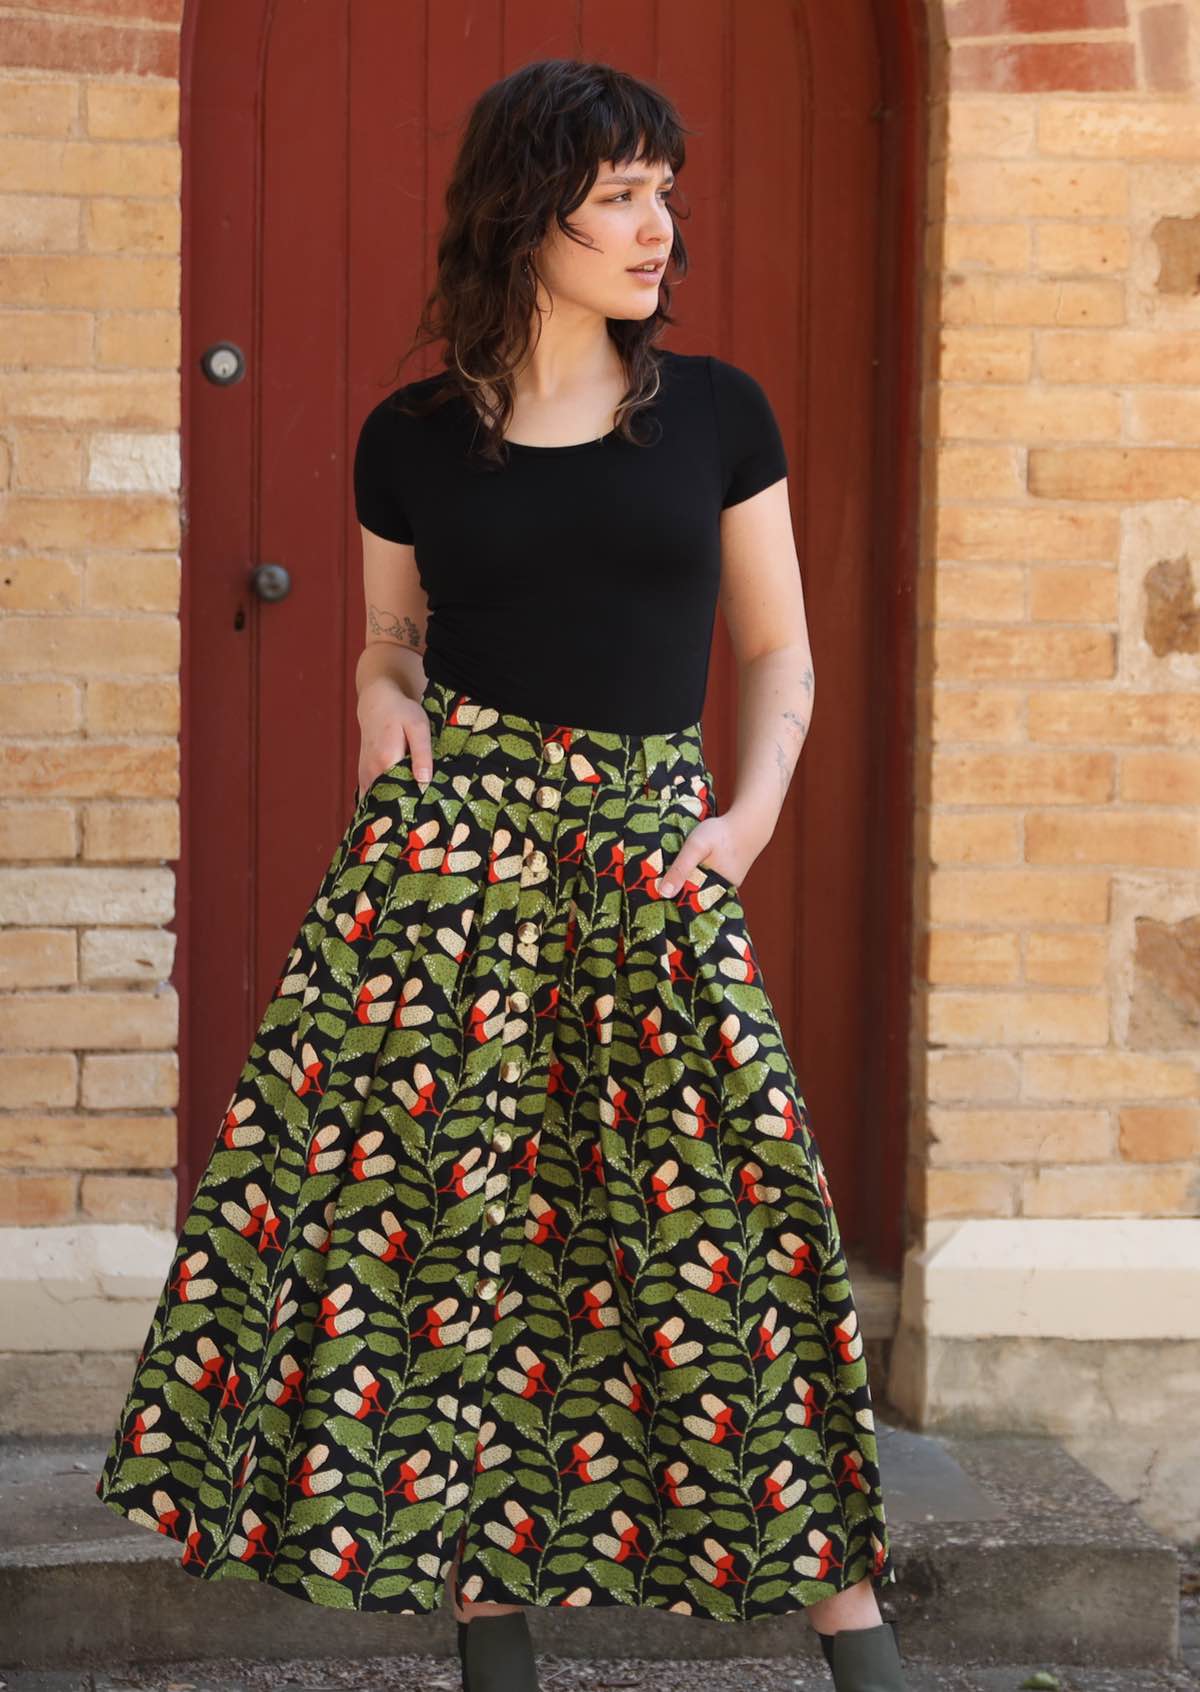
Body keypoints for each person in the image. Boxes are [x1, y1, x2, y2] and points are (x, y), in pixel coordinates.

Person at [94, 57, 906, 1692]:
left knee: (733, 1238)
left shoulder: (721, 415)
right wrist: (379, 698)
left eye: (665, 190)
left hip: (652, 855)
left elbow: (783, 654)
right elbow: (391, 642)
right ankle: (492, 1648)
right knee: (439, 1240)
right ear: (525, 212)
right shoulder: (410, 438)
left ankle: (859, 1645)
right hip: (449, 873)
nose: (657, 222)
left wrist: (742, 825)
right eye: (619, 192)